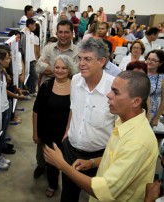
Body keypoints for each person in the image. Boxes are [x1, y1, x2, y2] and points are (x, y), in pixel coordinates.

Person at [44, 70, 158, 202]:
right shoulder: (123, 122)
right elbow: (116, 156)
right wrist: (93, 162)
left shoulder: (138, 142)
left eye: (116, 92)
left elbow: (104, 190)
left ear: (135, 101)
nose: (108, 95)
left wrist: (62, 165)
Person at [59, 38, 116, 202]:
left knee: (99, 196)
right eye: (80, 58)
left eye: (87, 59)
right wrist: (66, 135)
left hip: (99, 156)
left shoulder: (113, 88)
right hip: (71, 150)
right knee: (68, 193)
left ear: (102, 61)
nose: (81, 63)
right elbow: (73, 109)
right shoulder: (76, 80)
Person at [34, 20, 79, 179]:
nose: (63, 35)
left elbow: (78, 73)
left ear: (72, 33)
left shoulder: (77, 51)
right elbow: (38, 67)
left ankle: (61, 168)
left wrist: (51, 68)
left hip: (66, 95)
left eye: (67, 32)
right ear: (56, 33)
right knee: (43, 136)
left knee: (62, 137)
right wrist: (61, 71)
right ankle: (41, 164)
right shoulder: (48, 48)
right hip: (48, 94)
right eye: (60, 32)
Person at [33, 55, 76, 197]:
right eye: (57, 67)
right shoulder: (46, 86)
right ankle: (53, 184)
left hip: (69, 133)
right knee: (51, 162)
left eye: (64, 68)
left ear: (69, 70)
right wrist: (36, 133)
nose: (60, 70)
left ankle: (69, 188)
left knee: (69, 163)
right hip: (49, 132)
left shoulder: (76, 86)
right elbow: (36, 110)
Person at [145, 49, 164, 127]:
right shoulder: (141, 72)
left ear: (161, 63)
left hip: (152, 114)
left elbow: (163, 100)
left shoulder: (162, 77)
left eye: (153, 60)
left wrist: (157, 118)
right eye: (148, 59)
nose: (149, 61)